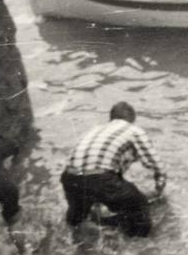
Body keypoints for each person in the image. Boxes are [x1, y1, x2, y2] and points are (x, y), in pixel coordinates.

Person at [60, 102, 166, 239]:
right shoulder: (134, 130)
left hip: (70, 177)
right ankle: (137, 243)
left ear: (111, 118)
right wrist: (159, 189)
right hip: (100, 178)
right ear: (132, 119)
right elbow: (156, 164)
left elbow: (93, 165)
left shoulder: (96, 129)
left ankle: (84, 231)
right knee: (139, 205)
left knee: (78, 219)